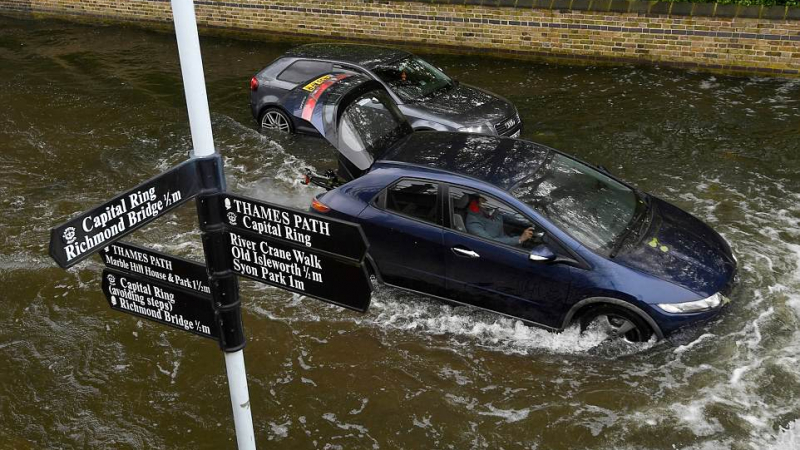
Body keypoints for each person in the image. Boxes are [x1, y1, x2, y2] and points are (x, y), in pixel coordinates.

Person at [465, 196, 534, 246]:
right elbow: (491, 243)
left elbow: (507, 217)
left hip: (507, 239)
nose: (496, 205)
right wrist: (520, 239)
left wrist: (528, 221)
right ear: (479, 202)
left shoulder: (489, 210)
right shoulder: (473, 224)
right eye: (487, 201)